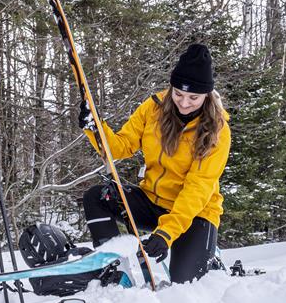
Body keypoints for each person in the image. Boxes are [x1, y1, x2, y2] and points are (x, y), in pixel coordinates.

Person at [79, 43, 230, 284]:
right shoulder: (154, 108)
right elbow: (120, 147)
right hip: (153, 201)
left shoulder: (217, 132)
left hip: (195, 215)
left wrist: (166, 232)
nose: (184, 102)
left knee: (185, 286)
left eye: (193, 97)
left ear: (207, 95)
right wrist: (95, 127)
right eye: (178, 94)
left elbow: (197, 189)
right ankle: (112, 269)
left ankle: (210, 261)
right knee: (97, 197)